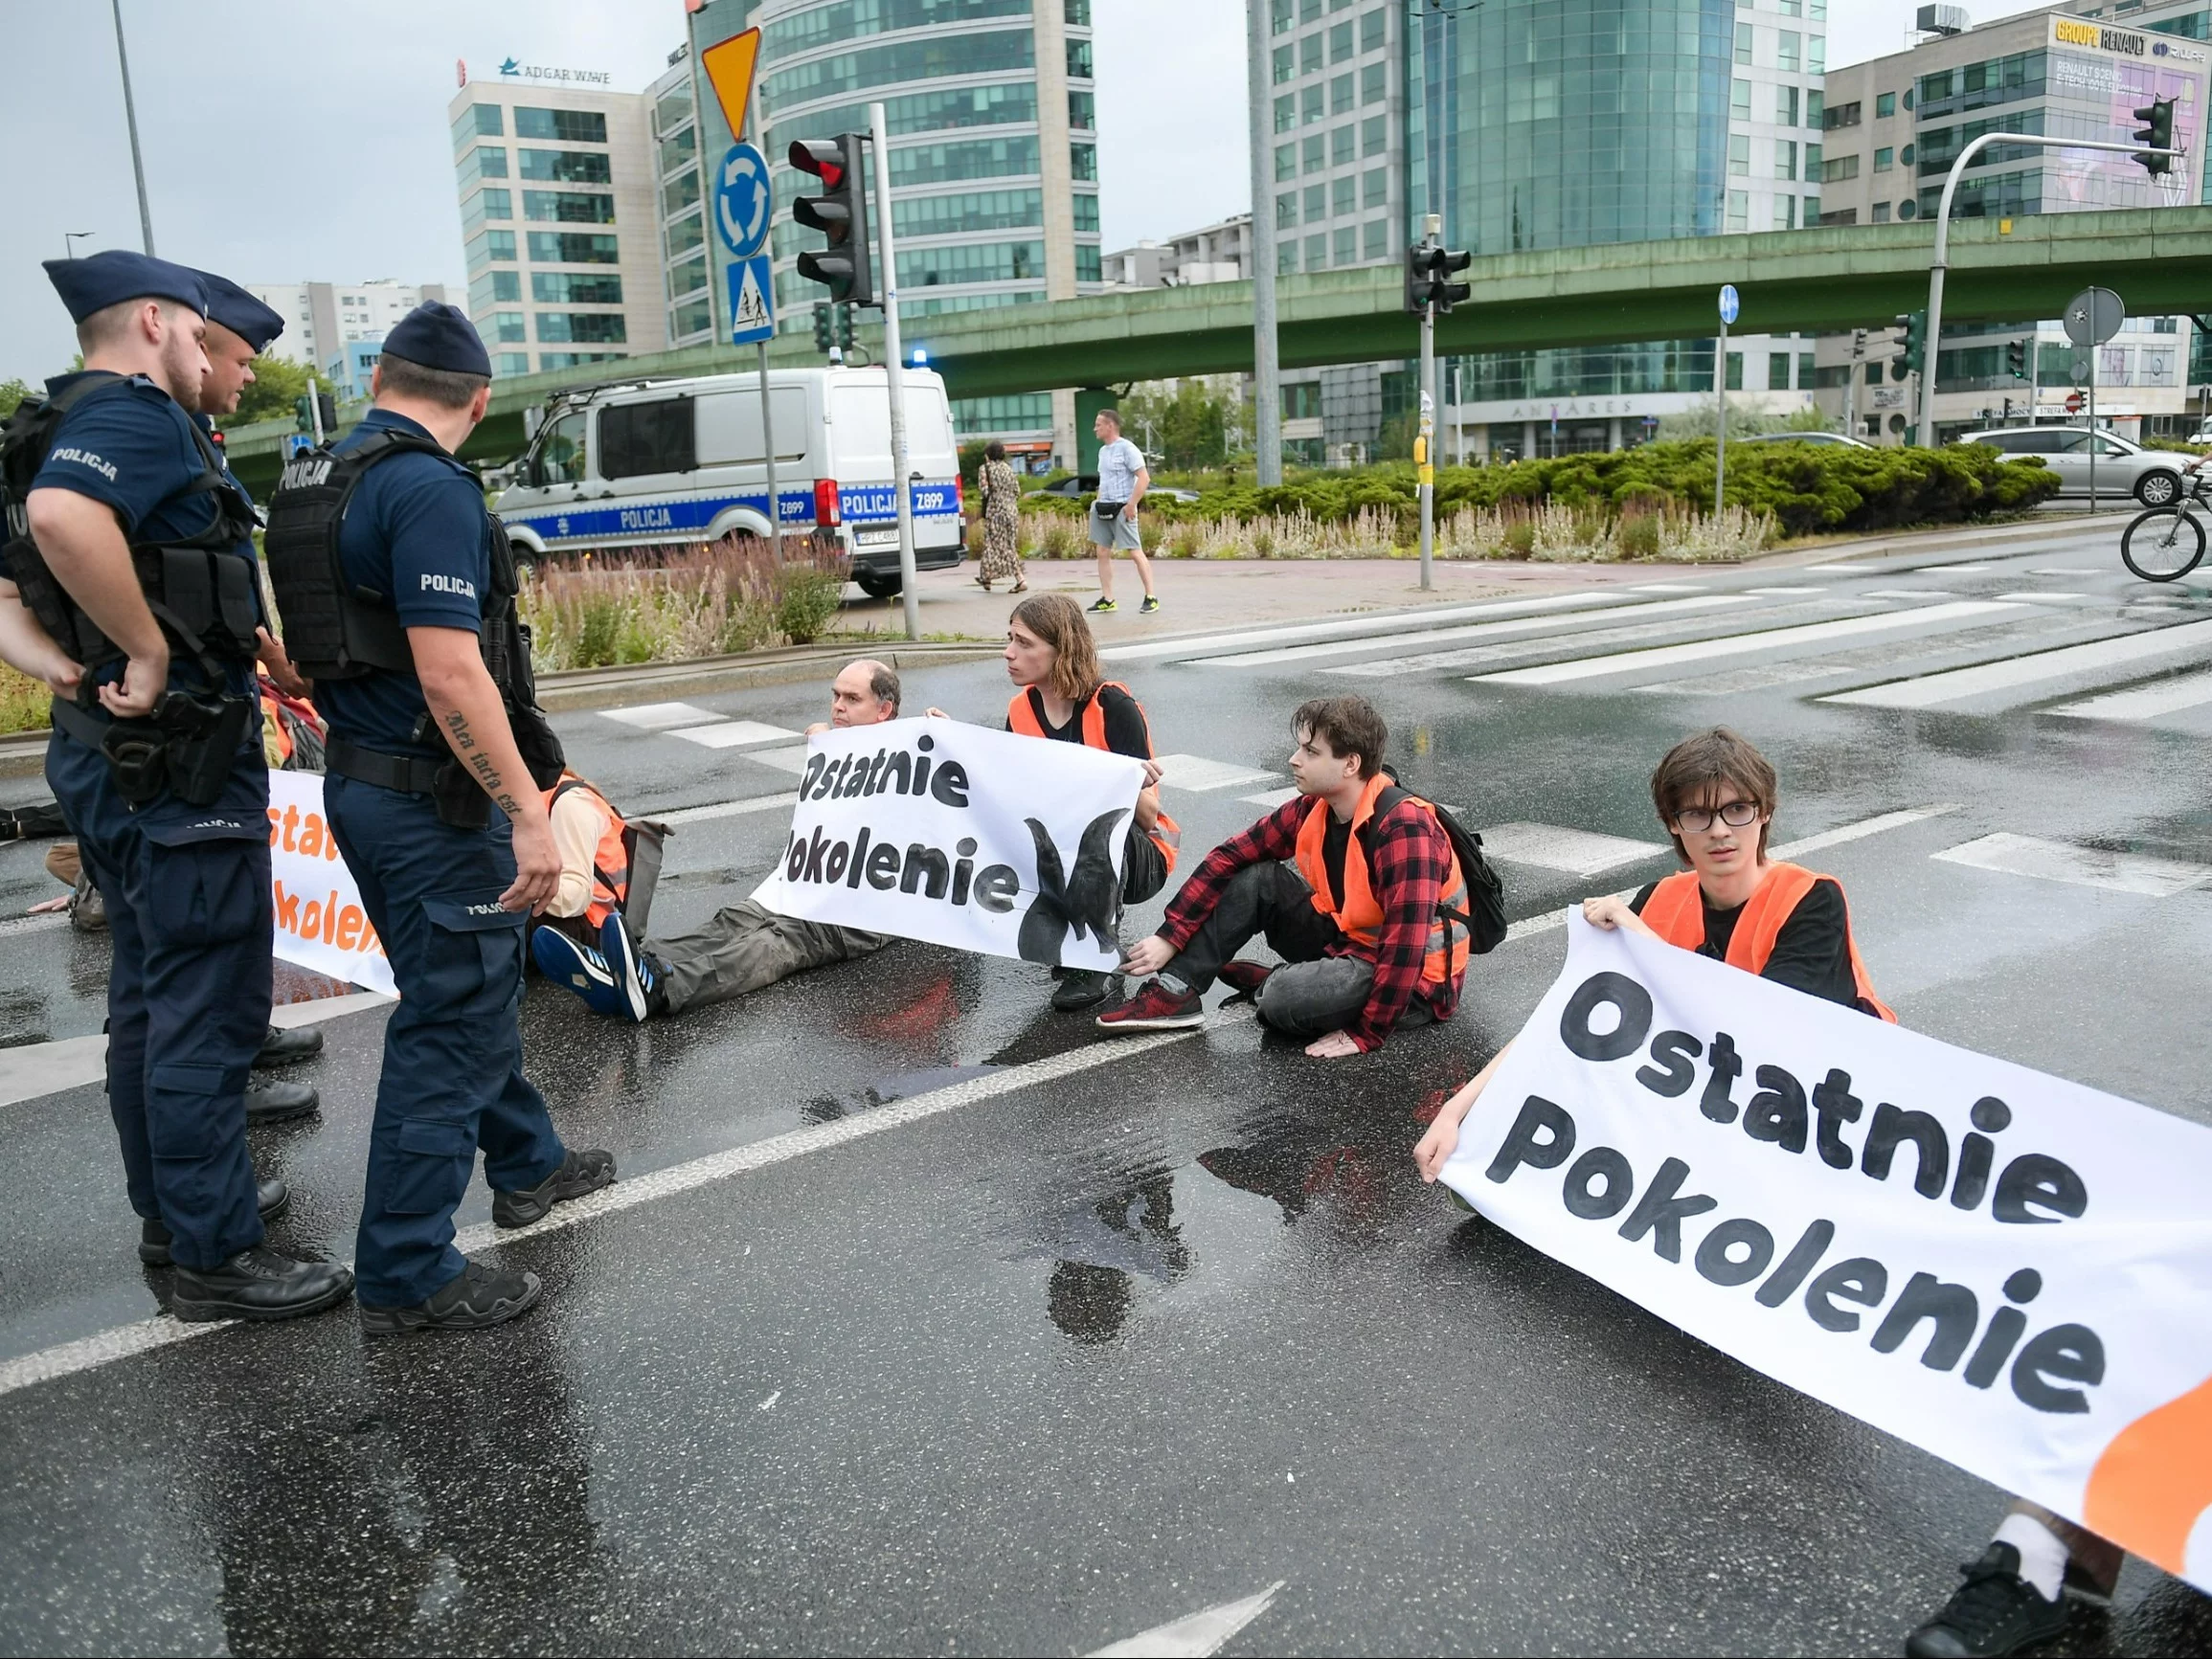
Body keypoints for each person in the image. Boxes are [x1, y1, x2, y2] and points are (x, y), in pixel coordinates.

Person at [2, 251, 350, 1318]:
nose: (210, 357)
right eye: (201, 336)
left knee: (151, 1000)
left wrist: (61, 667)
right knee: (205, 1002)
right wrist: (145, 655)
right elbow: (64, 522)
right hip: (178, 760)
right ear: (154, 323)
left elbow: (22, 567)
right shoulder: (135, 418)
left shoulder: (41, 424)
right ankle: (217, 1251)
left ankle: (176, 1217)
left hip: (104, 755)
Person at [271, 303, 613, 1334]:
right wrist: (523, 810)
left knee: (466, 980)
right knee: (453, 1013)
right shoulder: (427, 487)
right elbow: (454, 670)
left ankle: (528, 1161)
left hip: (367, 782)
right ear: (479, 398)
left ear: (381, 377)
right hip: (430, 796)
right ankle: (409, 1265)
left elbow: (299, 646)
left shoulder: (315, 482)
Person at [1413, 726, 1892, 1178]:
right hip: (1705, 1088)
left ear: (1764, 812)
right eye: (1698, 815)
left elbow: (1758, 1034)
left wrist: (1643, 941)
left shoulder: (1811, 900)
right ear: (1674, 825)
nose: (1720, 830)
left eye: (1736, 810)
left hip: (1815, 1104)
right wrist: (1458, 1108)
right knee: (1490, 1145)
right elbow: (1565, 1022)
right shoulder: (1658, 902)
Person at [1099, 693, 1469, 1057]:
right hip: (1350, 942)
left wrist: (1367, 1032)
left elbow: (1406, 946)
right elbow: (1228, 857)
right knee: (1258, 879)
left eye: (1311, 752)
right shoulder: (1314, 809)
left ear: (1351, 764)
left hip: (1416, 983)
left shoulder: (1404, 829)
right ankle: (1175, 990)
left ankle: (1276, 982)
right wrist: (1172, 936)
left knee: (1281, 1001)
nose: (1294, 760)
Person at [532, 659, 895, 1020]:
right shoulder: (836, 754)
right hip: (805, 887)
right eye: (835, 696)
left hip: (858, 912)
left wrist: (949, 749)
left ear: (884, 710)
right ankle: (620, 965)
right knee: (731, 922)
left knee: (775, 941)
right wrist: (832, 750)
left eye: (851, 698)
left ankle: (659, 988)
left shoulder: (915, 765)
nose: (838, 706)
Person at [188, 268, 326, 1123]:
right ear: (193, 343)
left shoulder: (197, 438)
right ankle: (216, 1097)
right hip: (184, 726)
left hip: (227, 703)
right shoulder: (147, 439)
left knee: (240, 896)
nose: (249, 374)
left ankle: (243, 1034)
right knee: (198, 926)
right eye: (240, 358)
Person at [998, 594, 1176, 1009]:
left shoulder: (1111, 706)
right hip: (1065, 847)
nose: (1009, 653)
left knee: (1091, 828)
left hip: (1139, 853)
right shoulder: (1019, 710)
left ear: (1061, 651)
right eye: (1010, 639)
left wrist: (1104, 779)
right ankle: (1066, 933)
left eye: (1024, 643)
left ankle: (1097, 959)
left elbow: (1147, 817)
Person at [1087, 410, 1157, 616]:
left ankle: (1151, 597)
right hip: (1103, 507)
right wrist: (1098, 500)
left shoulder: (1127, 449)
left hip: (1122, 508)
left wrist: (1131, 504)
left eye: (1098, 425)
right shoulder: (1103, 451)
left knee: (1134, 552)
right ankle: (1108, 599)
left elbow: (1144, 478)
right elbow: (1105, 479)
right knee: (1102, 552)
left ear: (1110, 426)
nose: (1095, 429)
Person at [975, 440, 1027, 594]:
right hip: (1011, 511)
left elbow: (984, 491)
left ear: (988, 454)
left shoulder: (985, 469)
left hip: (995, 512)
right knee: (1003, 544)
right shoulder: (1008, 468)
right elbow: (1017, 490)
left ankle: (1020, 578)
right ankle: (986, 577)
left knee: (999, 545)